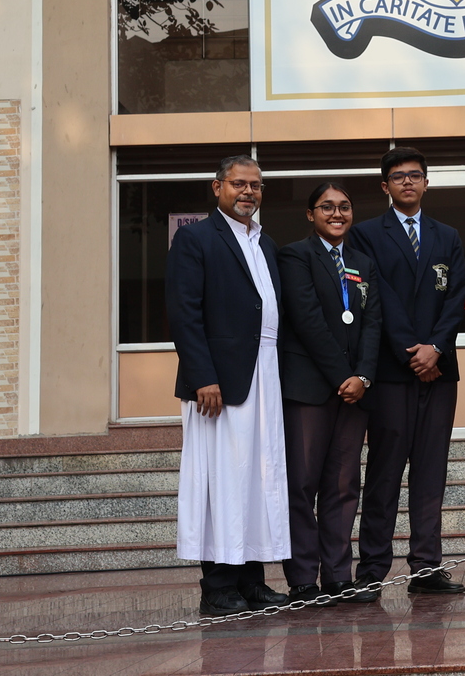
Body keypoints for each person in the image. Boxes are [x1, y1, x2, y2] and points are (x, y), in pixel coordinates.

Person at [167, 155, 291, 616]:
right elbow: (184, 312)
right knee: (221, 479)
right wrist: (204, 376)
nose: (248, 192)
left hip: (265, 374)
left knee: (258, 477)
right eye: (239, 184)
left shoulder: (266, 242)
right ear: (217, 187)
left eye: (255, 186)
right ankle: (219, 585)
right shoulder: (195, 237)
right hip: (219, 382)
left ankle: (251, 580)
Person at [349, 147, 465, 598]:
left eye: (415, 175)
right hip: (391, 372)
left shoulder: (447, 235)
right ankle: (372, 569)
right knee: (384, 473)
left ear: (426, 182)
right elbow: (375, 297)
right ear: (385, 186)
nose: (407, 182)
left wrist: (436, 348)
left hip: (440, 372)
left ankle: (426, 567)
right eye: (398, 177)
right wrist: (412, 354)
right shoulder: (364, 234)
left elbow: (457, 295)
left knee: (431, 473)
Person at [277, 180, 382, 605]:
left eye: (344, 206)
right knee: (302, 486)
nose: (337, 214)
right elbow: (307, 321)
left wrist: (364, 377)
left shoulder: (363, 262)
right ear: (310, 214)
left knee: (343, 485)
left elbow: (373, 323)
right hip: (310, 390)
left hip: (354, 394)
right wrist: (344, 377)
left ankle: (338, 575)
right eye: (326, 207)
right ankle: (303, 578)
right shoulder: (295, 256)